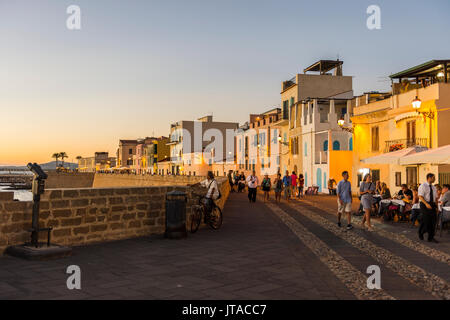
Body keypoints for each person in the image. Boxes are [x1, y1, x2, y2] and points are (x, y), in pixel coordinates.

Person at [418, 173, 438, 243]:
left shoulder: (434, 187)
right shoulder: (423, 186)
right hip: (424, 204)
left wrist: (437, 207)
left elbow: (436, 198)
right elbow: (420, 196)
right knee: (426, 220)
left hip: (432, 204)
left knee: (433, 221)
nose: (434, 179)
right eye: (433, 177)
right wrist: (426, 204)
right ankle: (421, 232)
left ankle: (431, 237)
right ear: (429, 178)